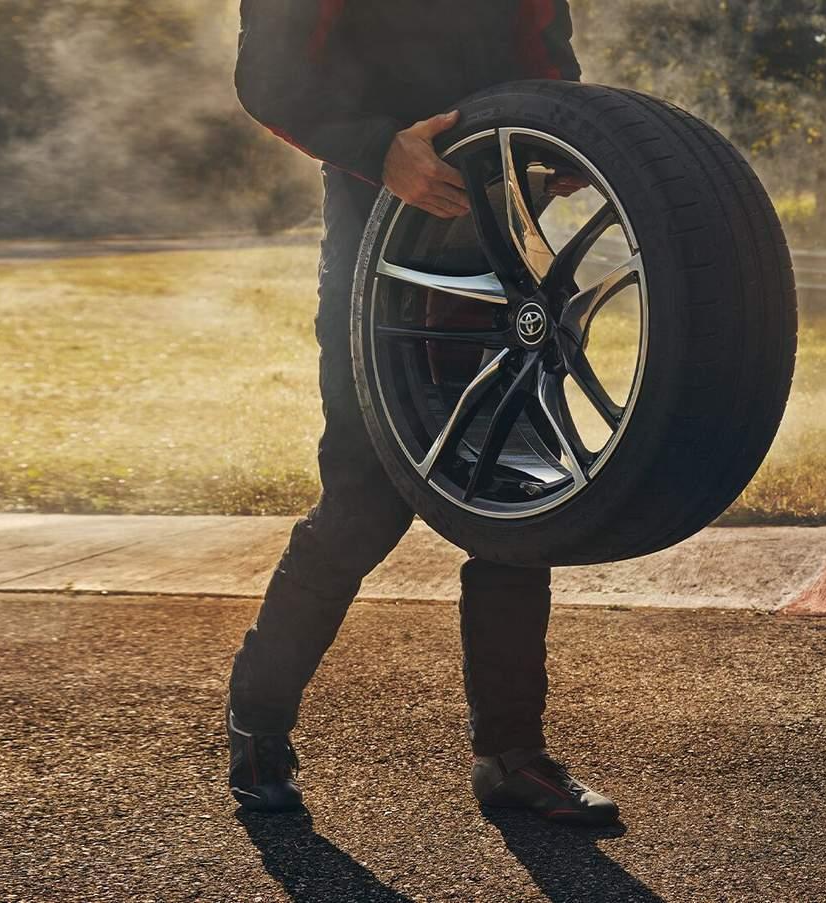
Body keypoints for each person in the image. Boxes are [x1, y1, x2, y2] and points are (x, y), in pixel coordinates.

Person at [223, 0, 617, 827]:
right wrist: (381, 150)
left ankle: (511, 756)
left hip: (499, 248)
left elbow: (547, 56)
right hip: (377, 247)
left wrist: (561, 138)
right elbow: (269, 78)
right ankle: (257, 724)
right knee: (364, 507)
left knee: (515, 498)